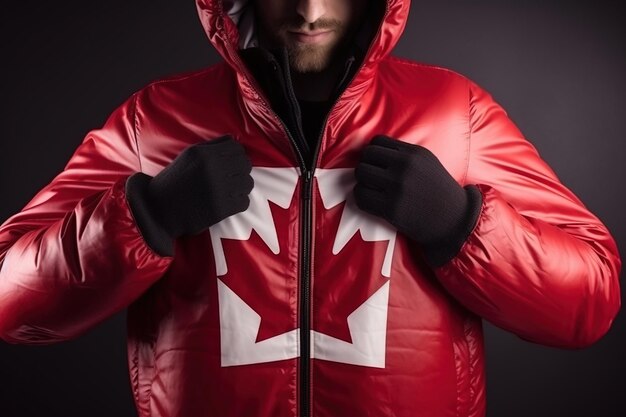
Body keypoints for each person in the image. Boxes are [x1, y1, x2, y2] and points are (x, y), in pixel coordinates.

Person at [0, 0, 621, 416]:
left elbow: (591, 298)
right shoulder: (156, 121)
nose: (309, 10)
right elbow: (10, 295)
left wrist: (462, 226)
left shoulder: (452, 114)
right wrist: (147, 216)